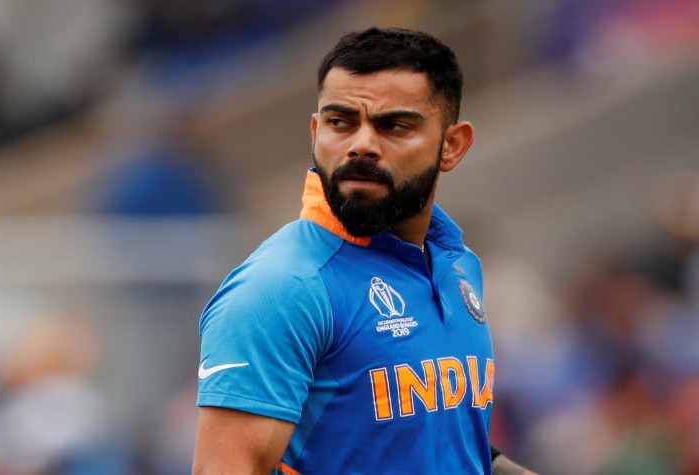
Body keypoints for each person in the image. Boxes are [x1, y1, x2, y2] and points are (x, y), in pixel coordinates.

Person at [193, 27, 537, 475]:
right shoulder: (284, 288)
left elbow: (434, 439)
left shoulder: (455, 264)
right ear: (315, 132)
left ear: (452, 146)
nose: (361, 145)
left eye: (394, 126)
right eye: (340, 122)